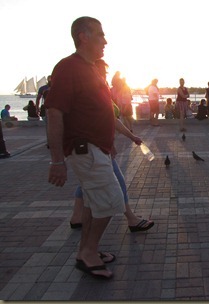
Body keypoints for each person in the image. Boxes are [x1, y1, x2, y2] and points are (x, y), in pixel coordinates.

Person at [45, 16, 123, 280]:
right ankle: (89, 253)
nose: (105, 40)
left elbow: (95, 111)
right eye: (100, 34)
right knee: (112, 201)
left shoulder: (90, 68)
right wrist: (57, 160)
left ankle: (86, 251)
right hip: (84, 150)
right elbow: (55, 113)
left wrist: (107, 142)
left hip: (95, 148)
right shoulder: (69, 68)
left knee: (92, 204)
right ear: (83, 37)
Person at [70, 59, 154, 234]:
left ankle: (76, 217)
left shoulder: (91, 90)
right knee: (118, 183)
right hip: (94, 148)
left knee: (86, 183)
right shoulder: (94, 91)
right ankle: (131, 220)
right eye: (103, 72)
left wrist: (131, 137)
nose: (105, 76)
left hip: (90, 147)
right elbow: (108, 120)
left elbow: (110, 119)